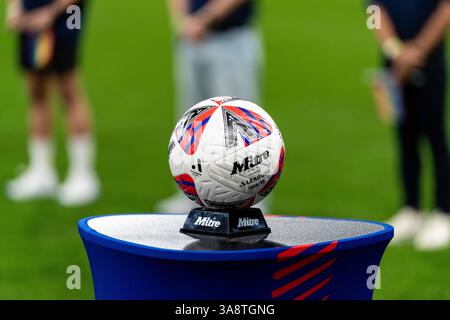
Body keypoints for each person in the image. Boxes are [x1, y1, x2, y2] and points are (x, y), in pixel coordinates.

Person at [156, 0, 264, 213]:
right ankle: (193, 195)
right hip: (191, 39)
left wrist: (204, 19)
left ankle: (250, 199)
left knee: (239, 128)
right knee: (191, 125)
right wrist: (183, 19)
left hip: (231, 39)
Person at [370, 0, 450, 250]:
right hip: (392, 63)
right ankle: (411, 209)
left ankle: (443, 212)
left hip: (429, 60)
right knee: (404, 136)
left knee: (435, 135)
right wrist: (395, 51)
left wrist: (418, 50)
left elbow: (445, 10)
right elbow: (373, 12)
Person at [5, 0, 100, 206]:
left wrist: (50, 12)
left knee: (68, 88)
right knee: (35, 88)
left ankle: (83, 175)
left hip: (67, 12)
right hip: (31, 12)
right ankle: (41, 172)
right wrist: (15, 7)